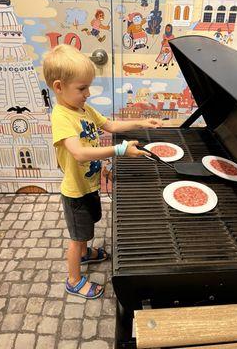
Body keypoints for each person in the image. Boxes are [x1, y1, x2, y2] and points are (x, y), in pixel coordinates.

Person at [43, 44, 162, 299]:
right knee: (77, 237)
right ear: (59, 87)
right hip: (75, 193)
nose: (88, 93)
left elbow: (109, 124)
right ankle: (74, 280)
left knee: (88, 227)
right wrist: (119, 151)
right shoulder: (62, 117)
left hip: (89, 184)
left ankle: (86, 254)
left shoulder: (82, 109)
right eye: (82, 88)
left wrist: (141, 121)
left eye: (88, 86)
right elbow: (79, 153)